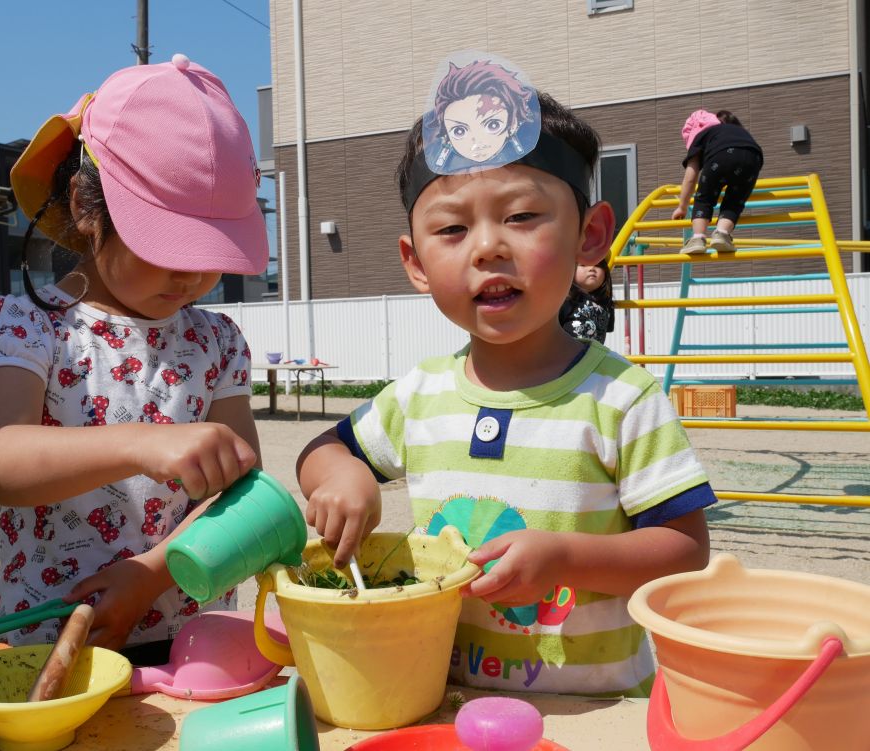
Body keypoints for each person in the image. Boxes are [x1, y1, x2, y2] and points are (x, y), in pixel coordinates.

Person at [296, 52, 714, 697]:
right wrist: (344, 475)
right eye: (453, 228)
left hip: (591, 706)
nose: (488, 246)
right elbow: (324, 450)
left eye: (521, 217)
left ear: (590, 236)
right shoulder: (419, 395)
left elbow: (685, 550)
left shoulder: (622, 399)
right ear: (415, 262)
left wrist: (564, 557)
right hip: (444, 693)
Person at [0, 54, 269, 662]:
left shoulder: (217, 341)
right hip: (52, 640)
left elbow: (242, 489)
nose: (190, 274)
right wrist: (140, 443)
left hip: (193, 638)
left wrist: (154, 573)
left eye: (209, 249)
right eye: (167, 244)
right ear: (84, 204)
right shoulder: (31, 326)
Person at [672, 109, 763, 254]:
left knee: (704, 198)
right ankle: (722, 233)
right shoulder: (733, 130)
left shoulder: (700, 136)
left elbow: (691, 177)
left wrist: (682, 206)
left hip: (720, 156)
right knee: (735, 201)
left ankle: (698, 238)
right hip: (754, 156)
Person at [559, 258, 614, 344]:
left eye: (598, 265)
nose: (592, 268)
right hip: (568, 354)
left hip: (594, 355)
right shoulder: (565, 299)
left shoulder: (606, 303)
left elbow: (606, 329)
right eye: (583, 265)